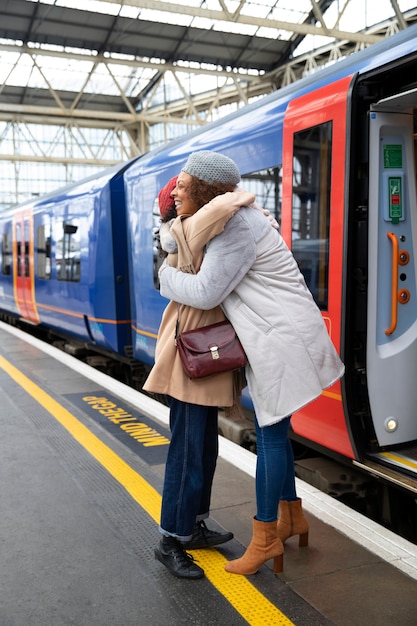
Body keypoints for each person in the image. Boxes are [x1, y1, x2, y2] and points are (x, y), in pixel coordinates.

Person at [158, 150, 345, 576]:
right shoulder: (235, 217)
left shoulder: (236, 225)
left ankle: (264, 541)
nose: (177, 190)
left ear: (206, 189)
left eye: (185, 184)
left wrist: (166, 278)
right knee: (274, 430)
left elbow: (205, 292)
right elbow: (179, 233)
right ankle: (292, 519)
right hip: (278, 334)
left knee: (272, 437)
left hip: (279, 338)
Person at [144, 165, 256, 579]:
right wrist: (236, 194)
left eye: (183, 190)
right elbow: (236, 199)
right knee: (188, 452)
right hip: (191, 354)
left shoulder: (192, 227)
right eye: (176, 192)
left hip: (204, 351)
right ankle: (170, 538)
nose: (176, 196)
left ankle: (193, 524)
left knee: (204, 450)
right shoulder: (189, 228)